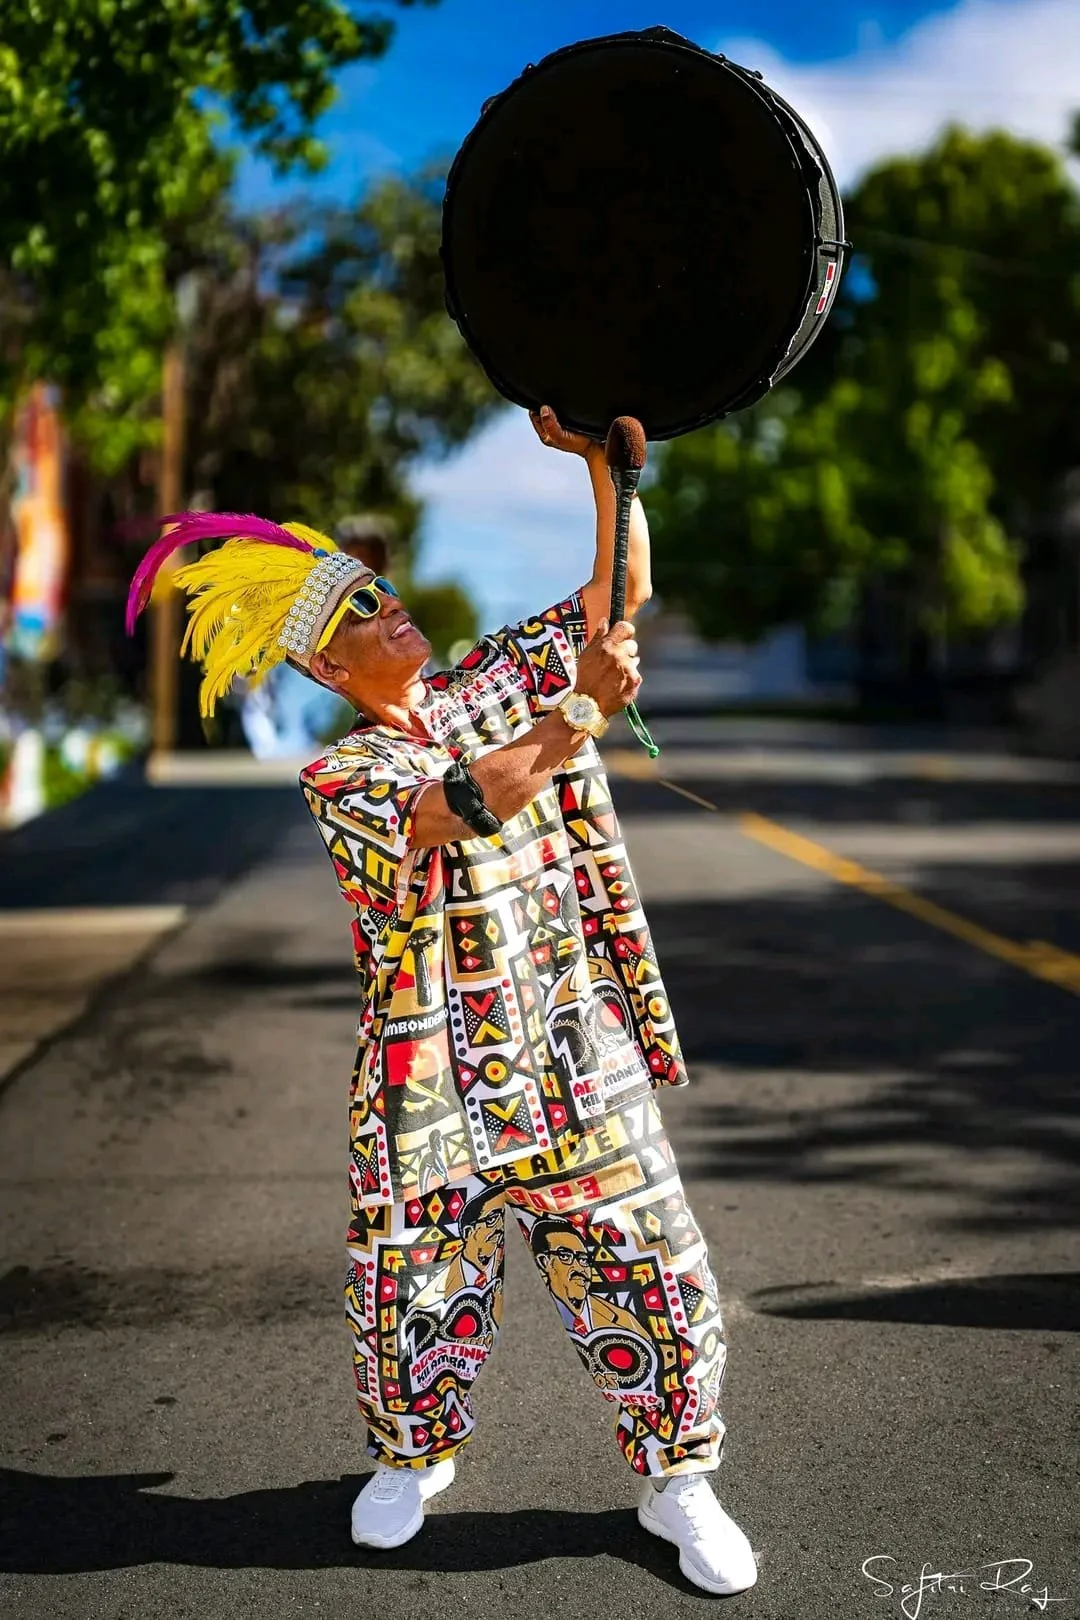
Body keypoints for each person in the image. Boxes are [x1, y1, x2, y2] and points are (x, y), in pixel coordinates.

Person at [124, 406, 757, 1598]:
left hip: (574, 1052)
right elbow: (460, 805)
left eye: (379, 588)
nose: (386, 606)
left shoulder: (489, 677)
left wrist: (601, 469)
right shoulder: (342, 776)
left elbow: (619, 585)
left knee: (655, 1265)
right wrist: (578, 714)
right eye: (355, 614)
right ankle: (413, 1459)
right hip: (426, 1094)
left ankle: (679, 1481)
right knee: (410, 1286)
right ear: (324, 669)